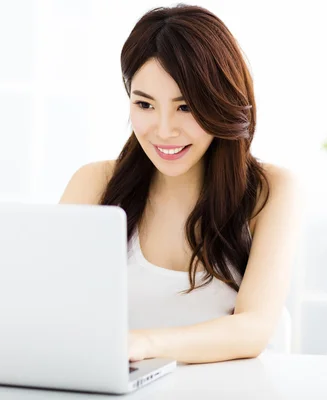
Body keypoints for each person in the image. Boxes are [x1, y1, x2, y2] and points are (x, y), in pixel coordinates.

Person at [59, 4, 300, 364]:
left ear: (220, 104)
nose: (164, 130)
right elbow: (48, 307)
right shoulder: (96, 184)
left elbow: (253, 328)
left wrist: (142, 345)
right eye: (145, 104)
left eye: (185, 107)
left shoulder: (271, 190)